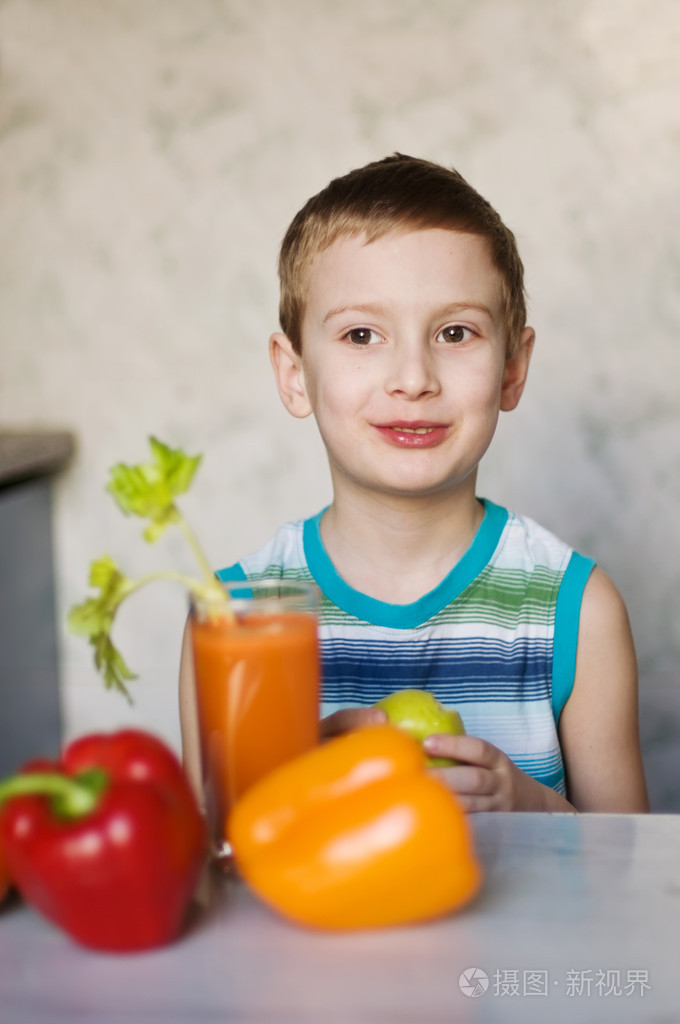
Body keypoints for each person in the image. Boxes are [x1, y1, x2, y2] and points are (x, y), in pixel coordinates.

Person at [179, 154, 649, 813]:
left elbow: (631, 875)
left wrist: (528, 806)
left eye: (455, 332)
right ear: (293, 374)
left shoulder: (578, 611)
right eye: (362, 333)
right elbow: (215, 881)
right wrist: (294, 781)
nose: (412, 377)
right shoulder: (237, 621)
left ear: (512, 369)